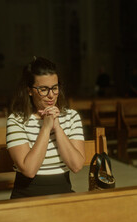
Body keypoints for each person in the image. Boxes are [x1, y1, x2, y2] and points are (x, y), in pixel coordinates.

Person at [6, 56, 85, 199]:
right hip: (27, 196)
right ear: (29, 90)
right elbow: (29, 170)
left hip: (63, 194)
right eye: (43, 89)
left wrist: (57, 127)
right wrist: (46, 128)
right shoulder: (16, 120)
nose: (51, 95)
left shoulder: (72, 117)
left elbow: (76, 165)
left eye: (55, 88)